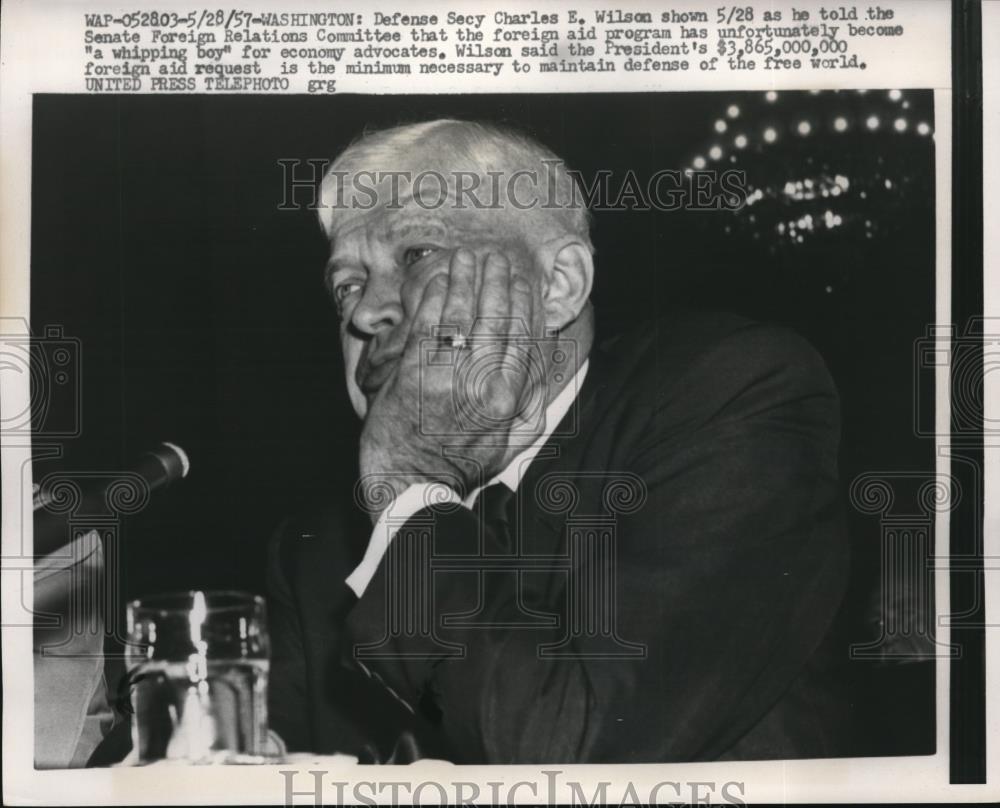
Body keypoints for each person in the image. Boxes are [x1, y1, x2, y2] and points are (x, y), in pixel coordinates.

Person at [267, 118, 851, 763]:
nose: (364, 312)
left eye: (417, 255)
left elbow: (573, 752)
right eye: (346, 284)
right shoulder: (317, 551)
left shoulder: (728, 395)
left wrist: (409, 485)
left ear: (558, 286)